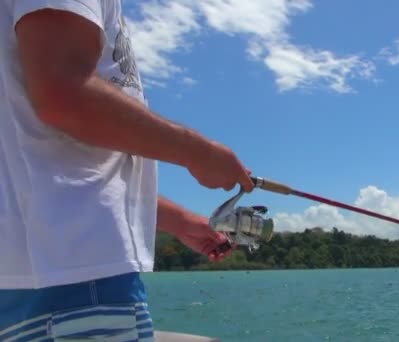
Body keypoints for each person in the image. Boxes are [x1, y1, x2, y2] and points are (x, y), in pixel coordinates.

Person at [0, 1, 254, 340]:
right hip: (76, 282)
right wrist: (200, 154)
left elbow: (50, 164)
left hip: (34, 283)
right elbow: (62, 93)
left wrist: (178, 221)